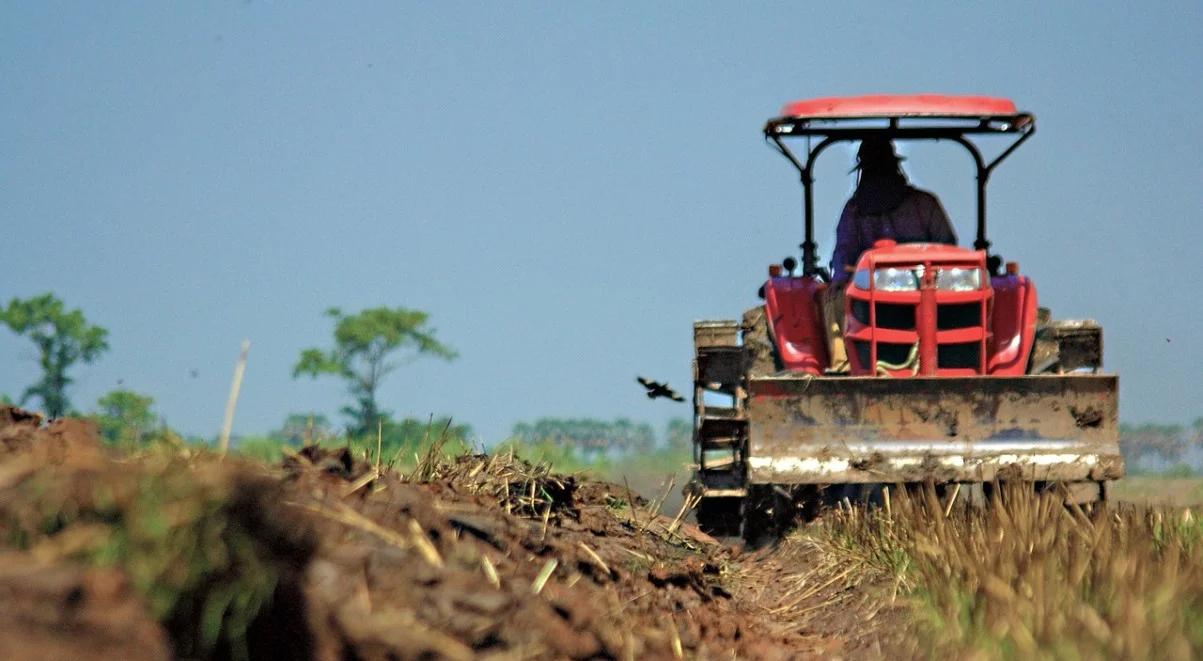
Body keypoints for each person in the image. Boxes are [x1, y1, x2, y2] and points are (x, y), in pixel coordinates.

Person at [823, 138, 956, 372]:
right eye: (874, 170)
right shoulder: (855, 211)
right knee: (835, 295)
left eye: (881, 168)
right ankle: (844, 366)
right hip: (867, 293)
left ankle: (957, 356)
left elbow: (948, 249)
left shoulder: (923, 205)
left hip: (926, 288)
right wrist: (842, 277)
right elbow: (843, 255)